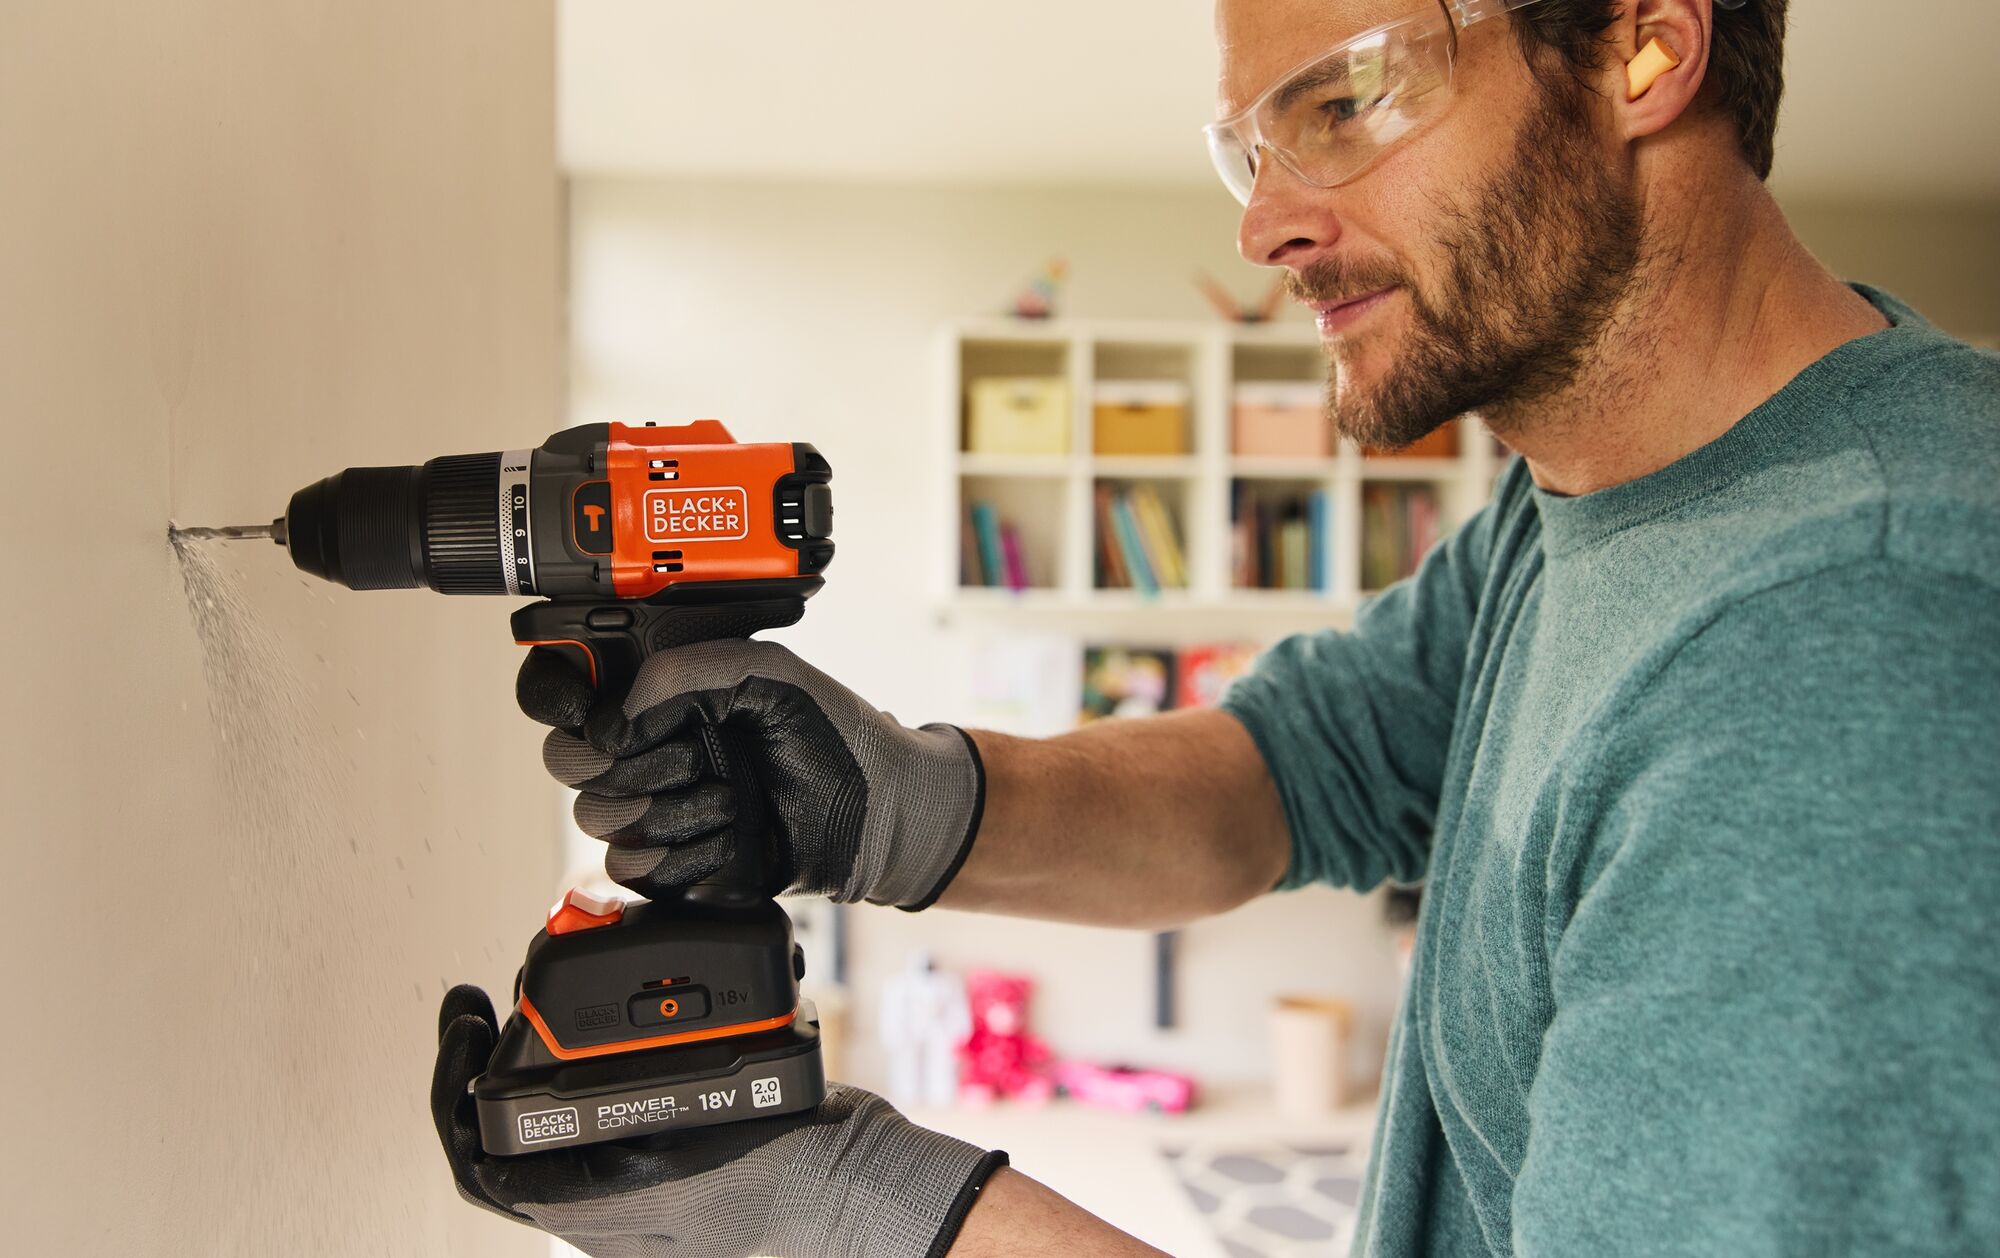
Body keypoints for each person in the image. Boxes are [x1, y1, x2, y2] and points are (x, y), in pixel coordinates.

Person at [430, 0, 2000, 1253]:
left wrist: (840, 1210)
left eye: (1341, 106)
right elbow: (1294, 766)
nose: (1267, 228)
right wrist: (895, 802)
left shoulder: (1840, 657)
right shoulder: (1598, 485)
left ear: (1643, 43)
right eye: (1250, 149)